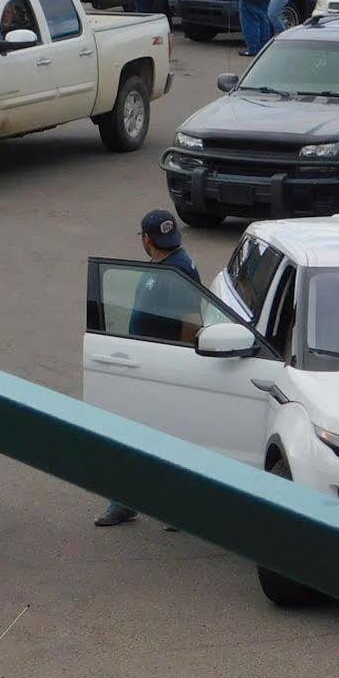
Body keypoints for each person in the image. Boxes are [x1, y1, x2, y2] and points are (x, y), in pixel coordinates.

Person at [95, 209, 203, 529]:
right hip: (146, 363)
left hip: (163, 366)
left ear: (145, 238)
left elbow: (189, 321)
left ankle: (172, 507)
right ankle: (128, 501)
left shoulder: (177, 270)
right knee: (138, 434)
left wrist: (180, 365)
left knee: (161, 437)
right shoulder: (168, 263)